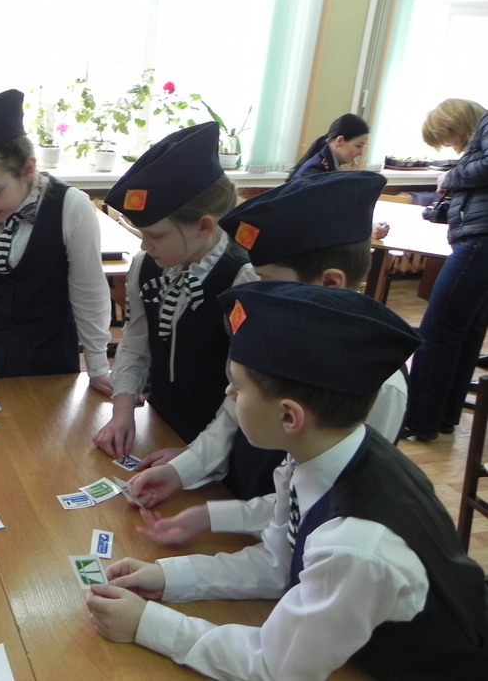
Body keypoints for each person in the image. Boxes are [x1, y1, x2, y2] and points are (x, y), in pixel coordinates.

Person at [86, 282, 488, 680]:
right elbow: (280, 562)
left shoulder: (353, 546)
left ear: (289, 416)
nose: (228, 392)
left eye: (238, 386)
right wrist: (169, 577)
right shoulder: (324, 455)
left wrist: (146, 624)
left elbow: (277, 667)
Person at [128, 171, 409, 525]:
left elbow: (332, 508)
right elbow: (232, 414)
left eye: (266, 282)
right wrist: (182, 470)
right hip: (245, 507)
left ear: (329, 283)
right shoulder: (278, 335)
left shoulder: (379, 383)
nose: (255, 295)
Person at [0, 89, 110, 408]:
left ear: (28, 170)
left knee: (39, 431)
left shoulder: (71, 208)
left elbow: (89, 292)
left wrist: (98, 366)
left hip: (46, 353)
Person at [92, 122, 257, 458]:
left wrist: (195, 457)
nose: (145, 245)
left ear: (204, 226)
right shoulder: (146, 265)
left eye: (155, 235)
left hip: (219, 446)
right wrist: (122, 412)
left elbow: (244, 390)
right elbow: (136, 343)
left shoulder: (243, 279)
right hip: (162, 425)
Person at [401, 98, 488, 441]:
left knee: (437, 333)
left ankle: (419, 420)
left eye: (448, 138)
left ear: (455, 124)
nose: (452, 146)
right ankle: (444, 417)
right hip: (480, 242)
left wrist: (452, 176)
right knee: (465, 333)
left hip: (479, 243)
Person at [287, 112, 389, 239]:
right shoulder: (314, 171)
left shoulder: (330, 165)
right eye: (358, 146)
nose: (361, 153)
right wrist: (365, 228)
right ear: (339, 141)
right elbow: (327, 216)